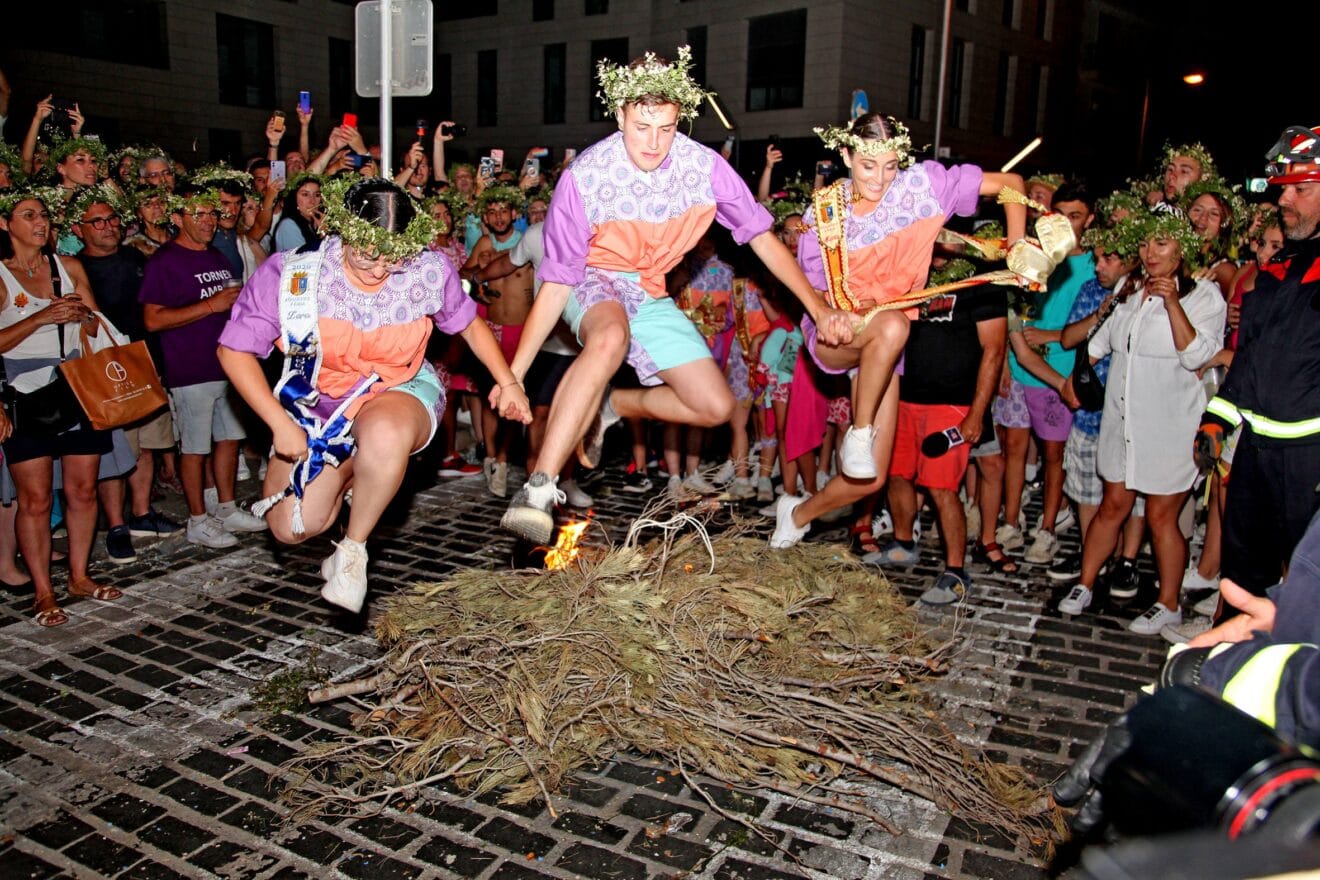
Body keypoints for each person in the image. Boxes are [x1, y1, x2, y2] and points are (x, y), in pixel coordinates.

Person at [497, 47, 850, 545]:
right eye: (641, 126)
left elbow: (763, 238)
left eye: (665, 127)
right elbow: (555, 284)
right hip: (590, 280)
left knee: (714, 406)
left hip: (647, 290)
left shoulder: (703, 169)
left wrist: (817, 305)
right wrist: (513, 375)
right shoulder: (586, 178)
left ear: (679, 117)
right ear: (619, 114)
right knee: (609, 337)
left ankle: (613, 404)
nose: (654, 142)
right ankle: (539, 488)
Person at [218, 177, 531, 613]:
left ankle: (353, 551)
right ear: (342, 231)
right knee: (293, 528)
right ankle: (357, 472)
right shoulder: (294, 273)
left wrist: (508, 381)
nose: (381, 269)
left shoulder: (427, 268)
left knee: (383, 433)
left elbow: (469, 324)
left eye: (394, 257)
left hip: (399, 386)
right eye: (368, 255)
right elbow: (233, 350)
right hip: (320, 405)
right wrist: (279, 422)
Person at [769, 112, 1027, 550]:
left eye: (891, 165)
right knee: (889, 324)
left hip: (888, 350)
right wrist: (835, 310)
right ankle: (860, 431)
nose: (880, 178)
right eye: (869, 165)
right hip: (838, 336)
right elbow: (809, 287)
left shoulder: (923, 187)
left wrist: (1017, 247)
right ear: (847, 155)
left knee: (869, 478)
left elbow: (1013, 184)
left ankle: (796, 513)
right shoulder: (826, 211)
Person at [1058, 211, 1226, 634]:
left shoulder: (1206, 298)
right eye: (1146, 244)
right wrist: (1080, 374)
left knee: (1159, 517)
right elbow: (1100, 341)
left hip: (1169, 425)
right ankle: (1085, 583)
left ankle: (1168, 603)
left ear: (1182, 250)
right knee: (1112, 506)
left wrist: (1171, 302)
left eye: (1162, 245)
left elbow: (1195, 357)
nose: (1150, 254)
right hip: (1122, 421)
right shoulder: (1128, 288)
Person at [1199, 125, 1320, 618]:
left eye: (1301, 190)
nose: (1284, 200)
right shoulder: (1278, 270)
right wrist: (1217, 419)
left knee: (1309, 582)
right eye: (1283, 189)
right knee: (1243, 576)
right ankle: (1232, 670)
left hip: (1311, 460)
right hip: (1257, 451)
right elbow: (1250, 357)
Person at [0, 188, 119, 627]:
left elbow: (97, 322)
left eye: (44, 214)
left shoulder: (67, 266)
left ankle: (78, 576)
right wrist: (38, 319)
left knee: (82, 490)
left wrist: (82, 316)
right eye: (28, 214)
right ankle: (43, 591)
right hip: (23, 390)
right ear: (5, 224)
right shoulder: (1, 275)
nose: (40, 221)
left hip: (75, 382)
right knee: (33, 498)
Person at [138, 184, 267, 548]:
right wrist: (211, 306)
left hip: (227, 364)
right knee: (195, 447)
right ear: (178, 218)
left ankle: (225, 508)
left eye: (212, 213)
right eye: (199, 214)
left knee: (228, 439)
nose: (209, 220)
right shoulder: (164, 261)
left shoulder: (216, 257)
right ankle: (197, 518)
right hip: (189, 367)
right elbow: (152, 320)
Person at [72, 184, 183, 559]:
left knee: (146, 447)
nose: (107, 226)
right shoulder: (74, 268)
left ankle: (140, 513)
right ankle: (116, 524)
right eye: (97, 221)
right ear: (78, 230)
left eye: (112, 219)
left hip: (145, 362)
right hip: (104, 367)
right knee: (115, 452)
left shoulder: (138, 258)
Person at [1000, 182, 1097, 566]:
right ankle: (1009, 522)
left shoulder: (1094, 263)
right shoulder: (1033, 256)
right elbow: (1015, 308)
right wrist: (1008, 360)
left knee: (1054, 454)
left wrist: (1051, 336)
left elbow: (1095, 322)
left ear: (1089, 219)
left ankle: (1047, 528)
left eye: (1076, 216)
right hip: (1019, 369)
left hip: (1060, 370)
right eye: (1061, 215)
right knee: (1013, 449)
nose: (1068, 224)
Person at [273, 174, 323, 253]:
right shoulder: (288, 225)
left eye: (317, 195)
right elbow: (303, 262)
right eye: (305, 195)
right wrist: (323, 236)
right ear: (294, 199)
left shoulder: (313, 225)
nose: (312, 201)